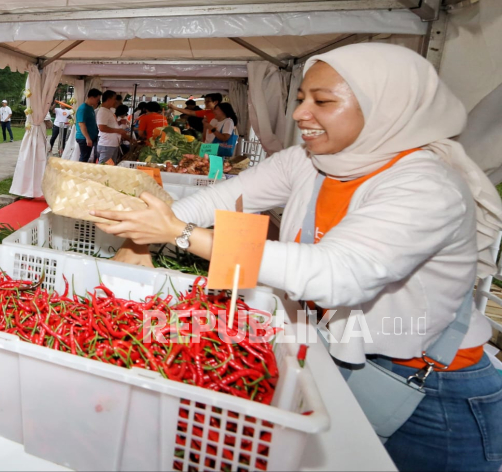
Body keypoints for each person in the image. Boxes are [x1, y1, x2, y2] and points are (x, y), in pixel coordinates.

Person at [92, 43, 502, 472]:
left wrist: (180, 236)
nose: (299, 113)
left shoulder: (426, 187)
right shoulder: (310, 163)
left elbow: (335, 275)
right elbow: (219, 199)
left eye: (323, 101)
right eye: (302, 98)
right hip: (331, 355)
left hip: (432, 392)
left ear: (387, 107)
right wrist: (141, 239)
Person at [95, 90, 127, 164]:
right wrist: (118, 131)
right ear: (109, 100)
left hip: (111, 144)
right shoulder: (103, 111)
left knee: (110, 166)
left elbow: (109, 125)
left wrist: (118, 123)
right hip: (107, 145)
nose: (115, 101)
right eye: (114, 99)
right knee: (103, 167)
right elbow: (102, 128)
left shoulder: (109, 111)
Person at [75, 88, 101, 162]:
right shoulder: (83, 109)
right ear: (92, 97)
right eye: (97, 99)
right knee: (84, 157)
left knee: (87, 156)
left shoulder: (90, 108)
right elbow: (82, 125)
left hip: (90, 136)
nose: (98, 102)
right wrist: (87, 138)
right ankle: (80, 172)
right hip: (84, 138)